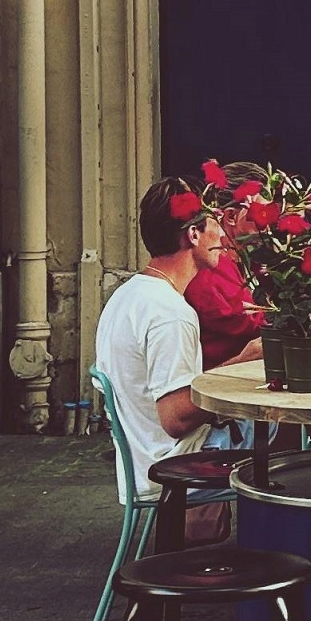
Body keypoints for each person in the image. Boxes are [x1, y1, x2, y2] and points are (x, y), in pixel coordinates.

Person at [96, 178, 234, 504]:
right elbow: (176, 419)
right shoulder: (171, 313)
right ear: (194, 233)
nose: (224, 236)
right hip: (172, 466)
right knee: (286, 442)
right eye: (216, 224)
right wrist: (237, 366)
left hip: (141, 460)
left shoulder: (127, 295)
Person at [183, 159, 269, 368]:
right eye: (262, 214)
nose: (270, 223)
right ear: (230, 216)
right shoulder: (212, 269)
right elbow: (253, 325)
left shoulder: (243, 258)